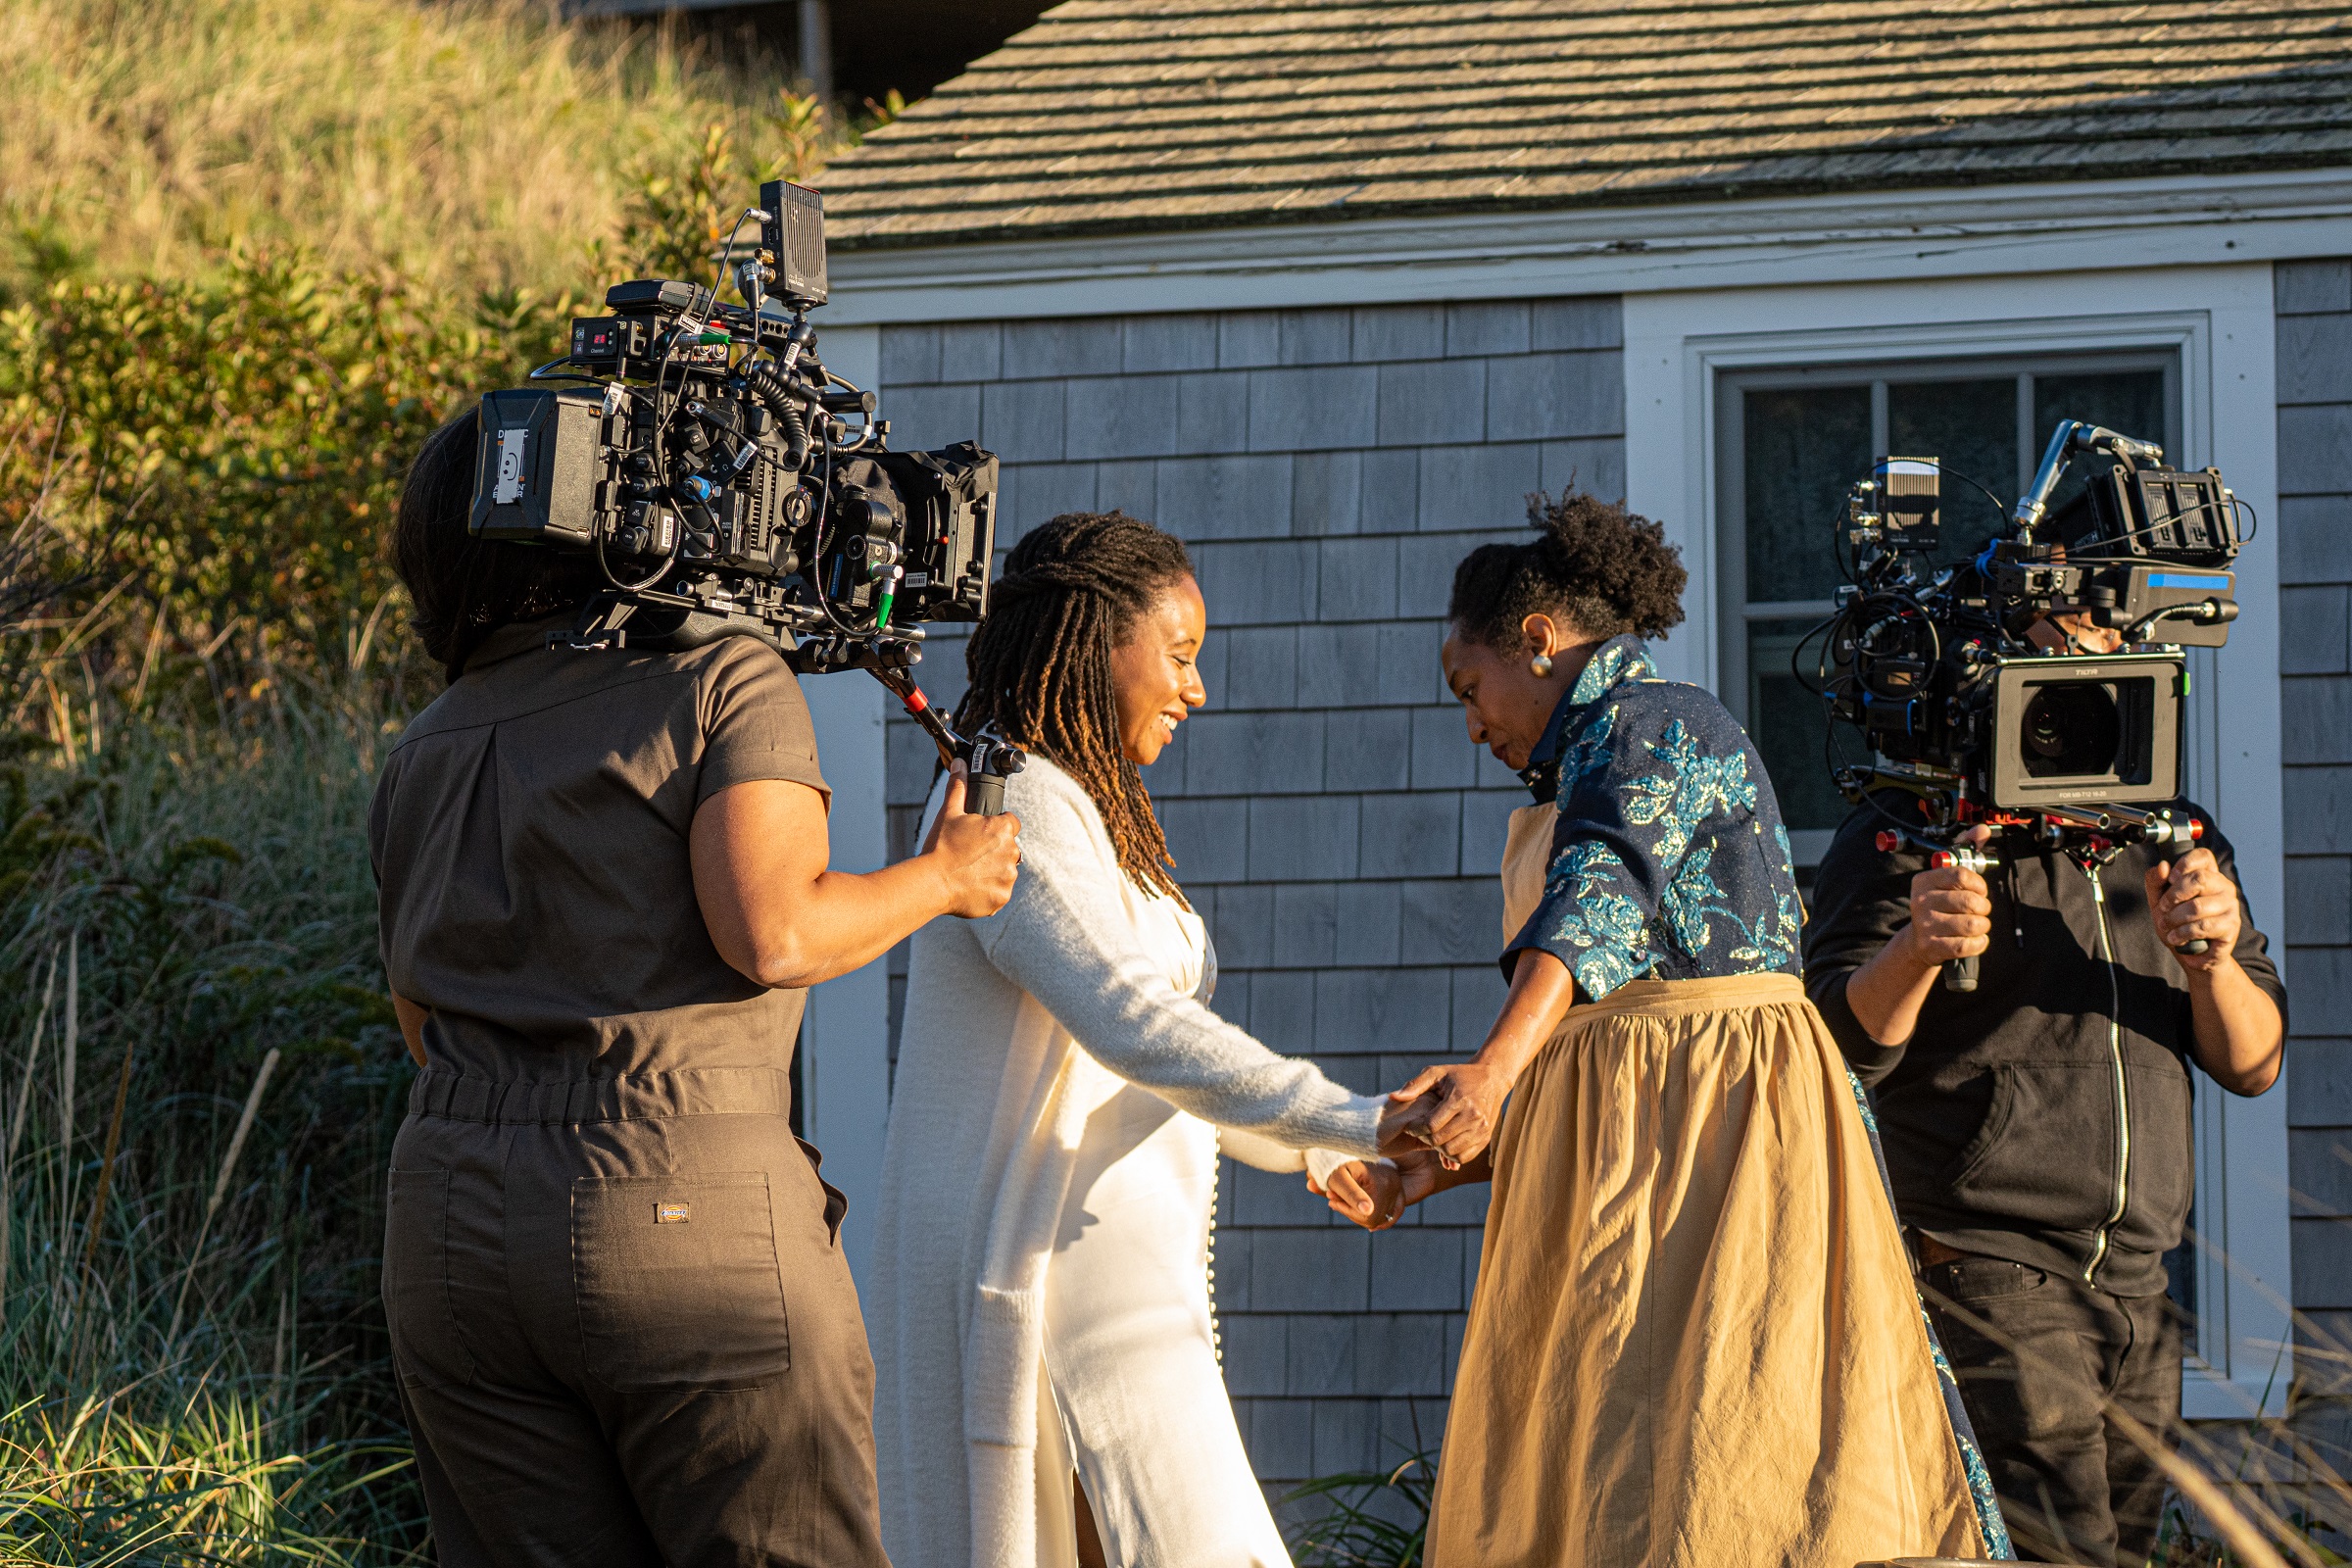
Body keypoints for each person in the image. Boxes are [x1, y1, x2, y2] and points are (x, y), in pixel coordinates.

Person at [368, 411, 1021, 1566]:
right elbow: (772, 931)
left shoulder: (424, 743)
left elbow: (421, 1019)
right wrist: (945, 876)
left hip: (447, 1231)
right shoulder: (721, 682)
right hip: (673, 1202)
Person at [1314, 492, 2007, 1568]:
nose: (1471, 722)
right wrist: (1429, 1170)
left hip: (1723, 1167)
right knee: (1611, 1497)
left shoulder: (1661, 725)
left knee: (1724, 1489)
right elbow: (1591, 1070)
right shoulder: (1579, 774)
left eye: (1470, 686)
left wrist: (1493, 1069)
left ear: (1538, 642)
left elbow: (1602, 889)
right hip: (1631, 1179)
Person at [868, 511, 1450, 1568]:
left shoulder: (1078, 804)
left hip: (1115, 1279)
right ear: (1096, 645)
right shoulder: (1019, 804)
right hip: (1052, 1288)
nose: (1198, 689)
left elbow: (1143, 1067)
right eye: (1179, 656)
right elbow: (1131, 1021)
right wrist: (1353, 1115)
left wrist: (1324, 1149)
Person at [1803, 603, 2286, 1568]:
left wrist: (2213, 958)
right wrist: (1917, 947)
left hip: (2141, 1278)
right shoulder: (1913, 819)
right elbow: (1834, 1049)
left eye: (2107, 650)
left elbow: (2255, 1061)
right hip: (1991, 1258)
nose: (2083, 674)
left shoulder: (2172, 834)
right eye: (2054, 650)